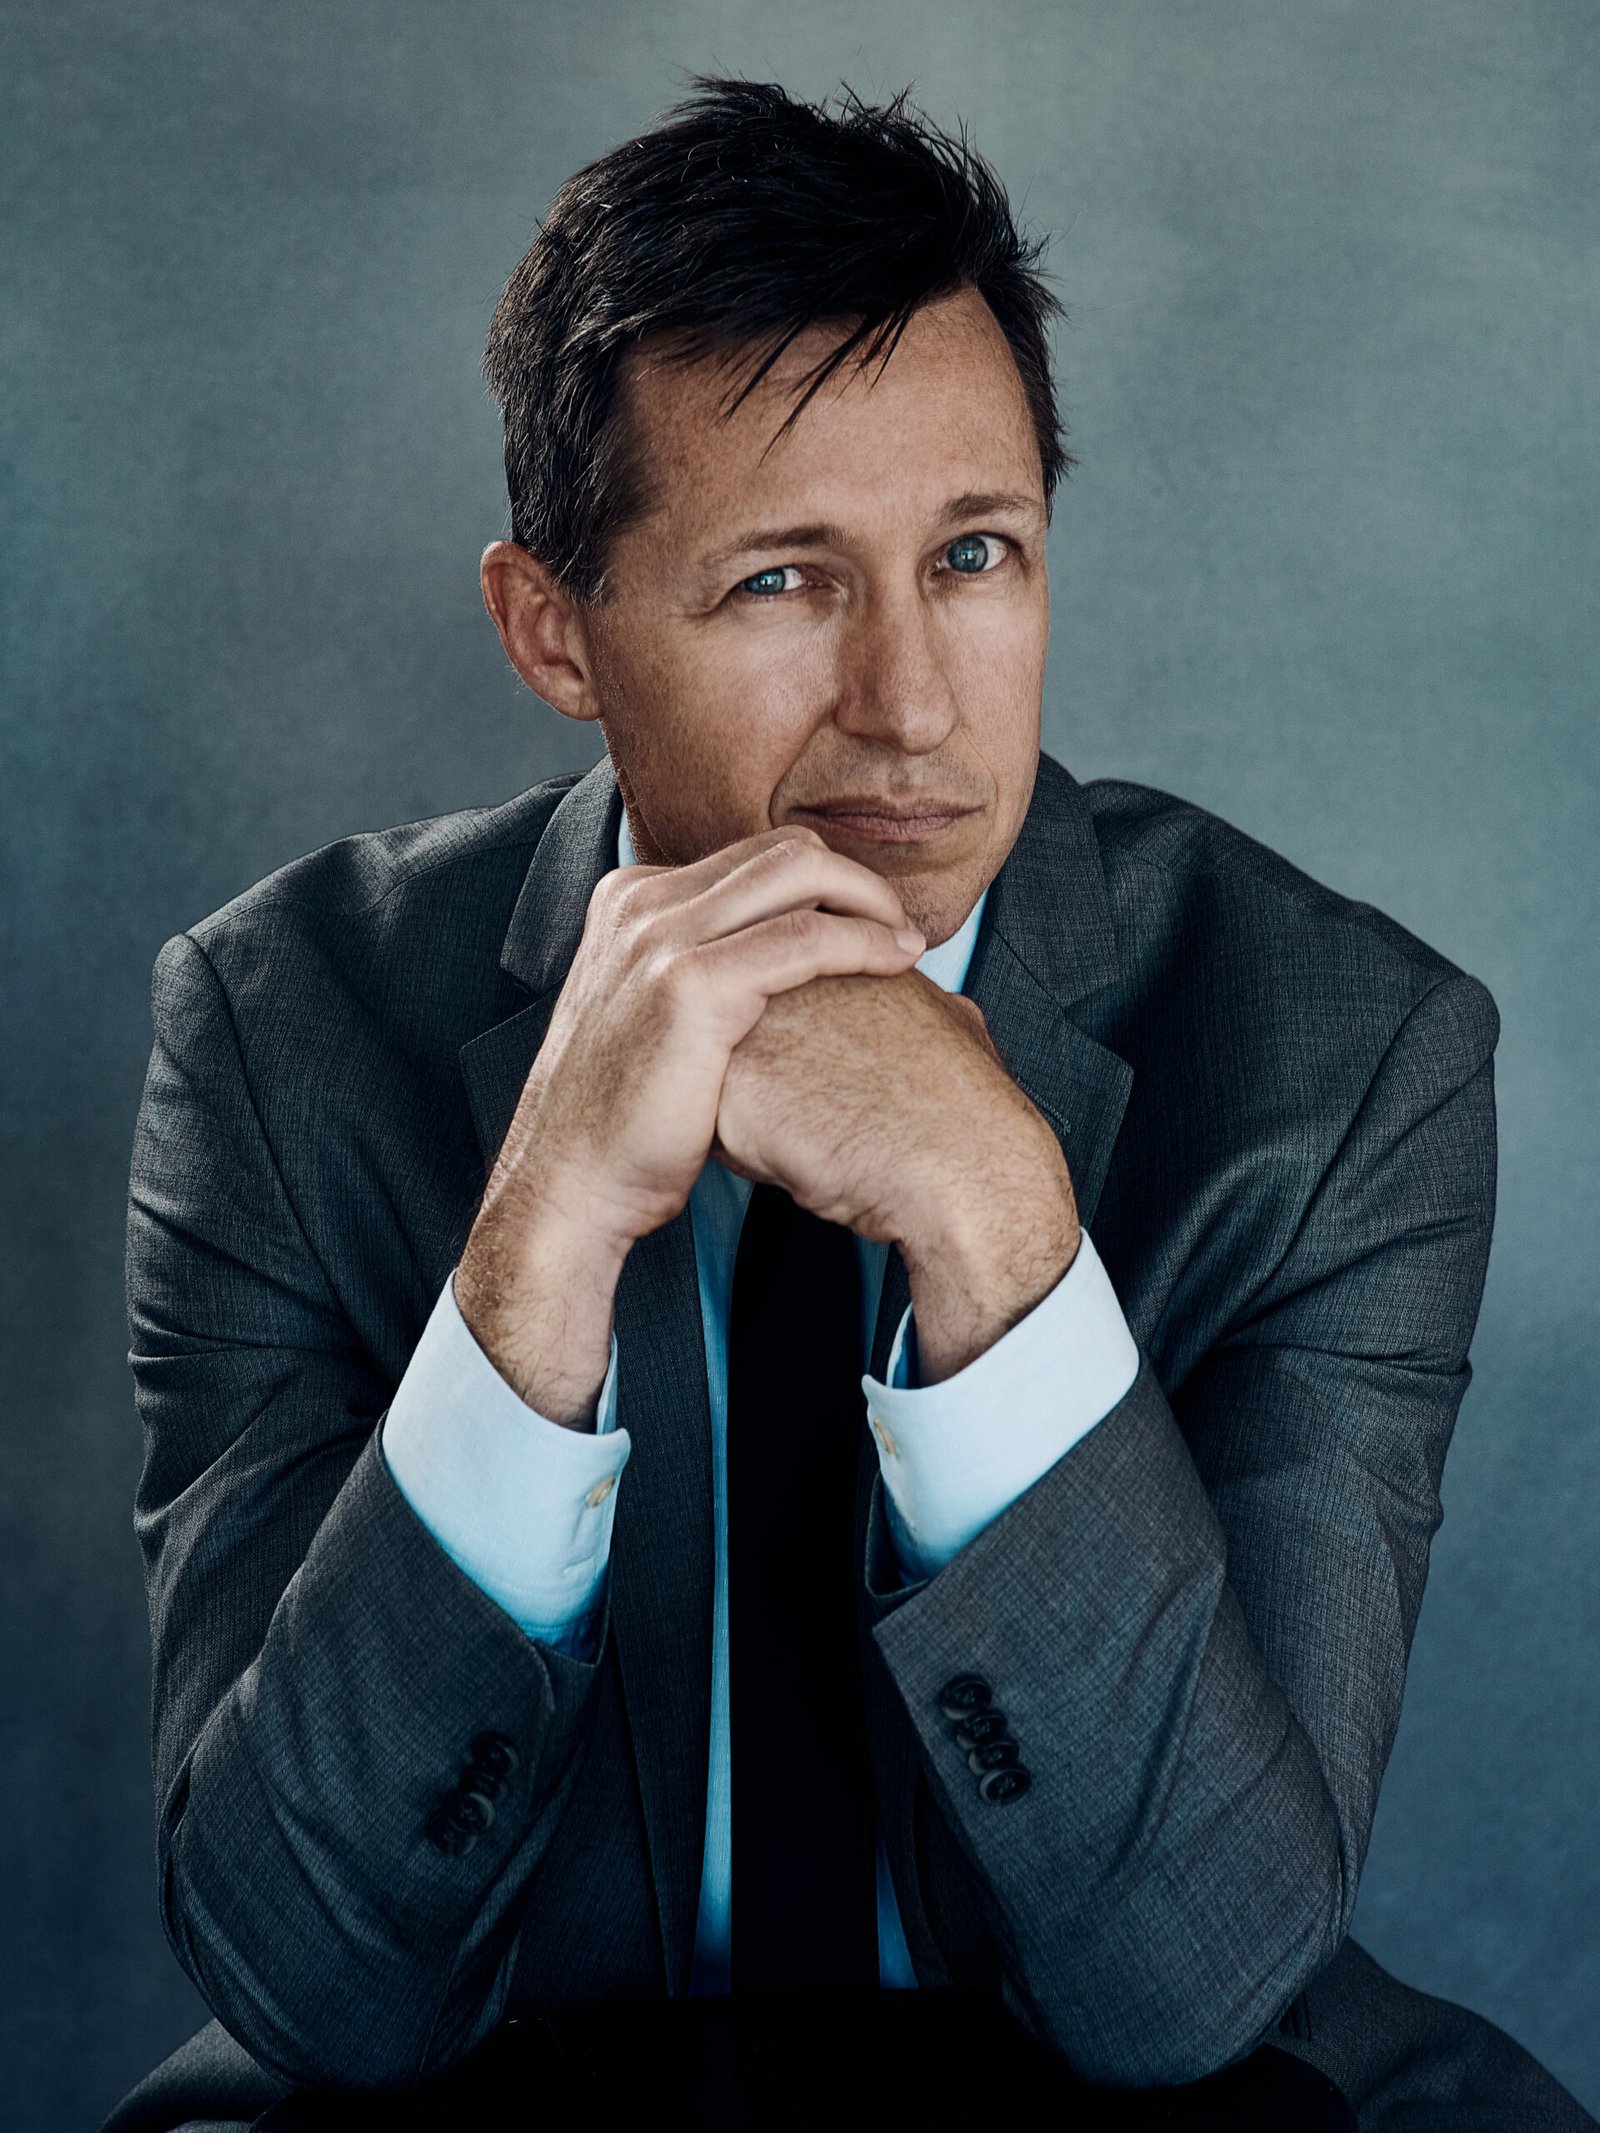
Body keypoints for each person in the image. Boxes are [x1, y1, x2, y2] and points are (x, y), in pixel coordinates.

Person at [107, 78, 1594, 2133]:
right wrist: (535, 1246)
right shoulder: (280, 1033)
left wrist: (1003, 1233)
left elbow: (1199, 1981)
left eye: (972, 554)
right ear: (552, 629)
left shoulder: (1347, 1059)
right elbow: (311, 1974)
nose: (910, 706)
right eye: (783, 583)